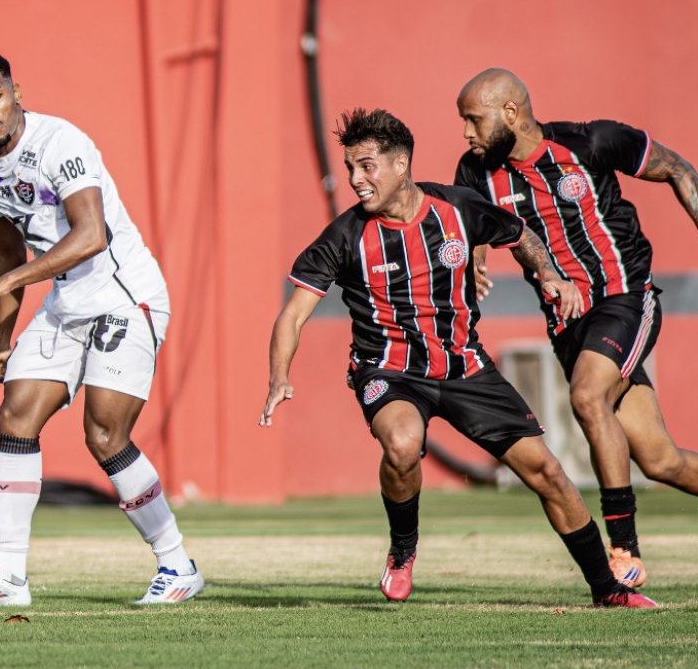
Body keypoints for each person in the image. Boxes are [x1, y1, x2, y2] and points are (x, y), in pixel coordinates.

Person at [260, 106, 656, 608]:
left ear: (401, 165)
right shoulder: (344, 237)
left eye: (366, 166)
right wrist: (279, 377)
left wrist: (551, 276)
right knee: (403, 444)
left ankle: (607, 590)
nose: (356, 180)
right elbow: (292, 316)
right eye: (351, 169)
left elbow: (520, 235)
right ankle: (403, 552)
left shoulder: (457, 208)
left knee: (548, 473)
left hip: (466, 367)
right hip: (390, 371)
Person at [454, 68, 698, 588]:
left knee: (587, 398)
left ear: (510, 112)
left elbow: (678, 169)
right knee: (662, 462)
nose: (466, 133)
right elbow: (478, 225)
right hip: (569, 326)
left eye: (473, 120)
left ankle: (623, 549)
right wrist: (476, 263)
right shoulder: (475, 169)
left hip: (625, 300)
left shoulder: (590, 141)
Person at [0, 51, 204, 607]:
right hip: (68, 301)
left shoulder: (62, 143)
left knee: (104, 434)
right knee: (14, 415)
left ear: (15, 91)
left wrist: (4, 281)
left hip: (125, 296)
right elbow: (8, 250)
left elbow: (91, 237)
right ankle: (7, 577)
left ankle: (178, 564)